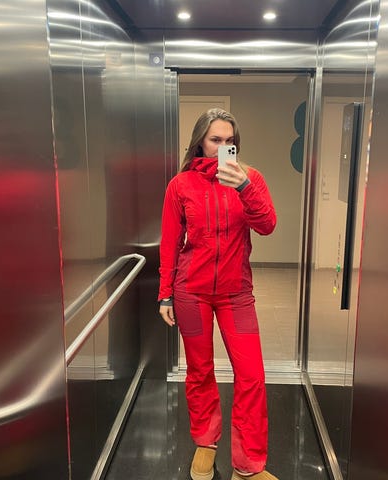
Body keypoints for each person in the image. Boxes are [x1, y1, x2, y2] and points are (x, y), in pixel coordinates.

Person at [158, 108, 278, 480]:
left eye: (230, 141)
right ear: (200, 142)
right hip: (190, 293)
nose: (224, 146)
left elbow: (267, 225)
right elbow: (170, 242)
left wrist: (244, 187)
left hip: (236, 293)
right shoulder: (180, 185)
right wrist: (165, 294)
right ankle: (205, 443)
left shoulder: (251, 178)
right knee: (200, 371)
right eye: (216, 140)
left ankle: (248, 465)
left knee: (252, 375)